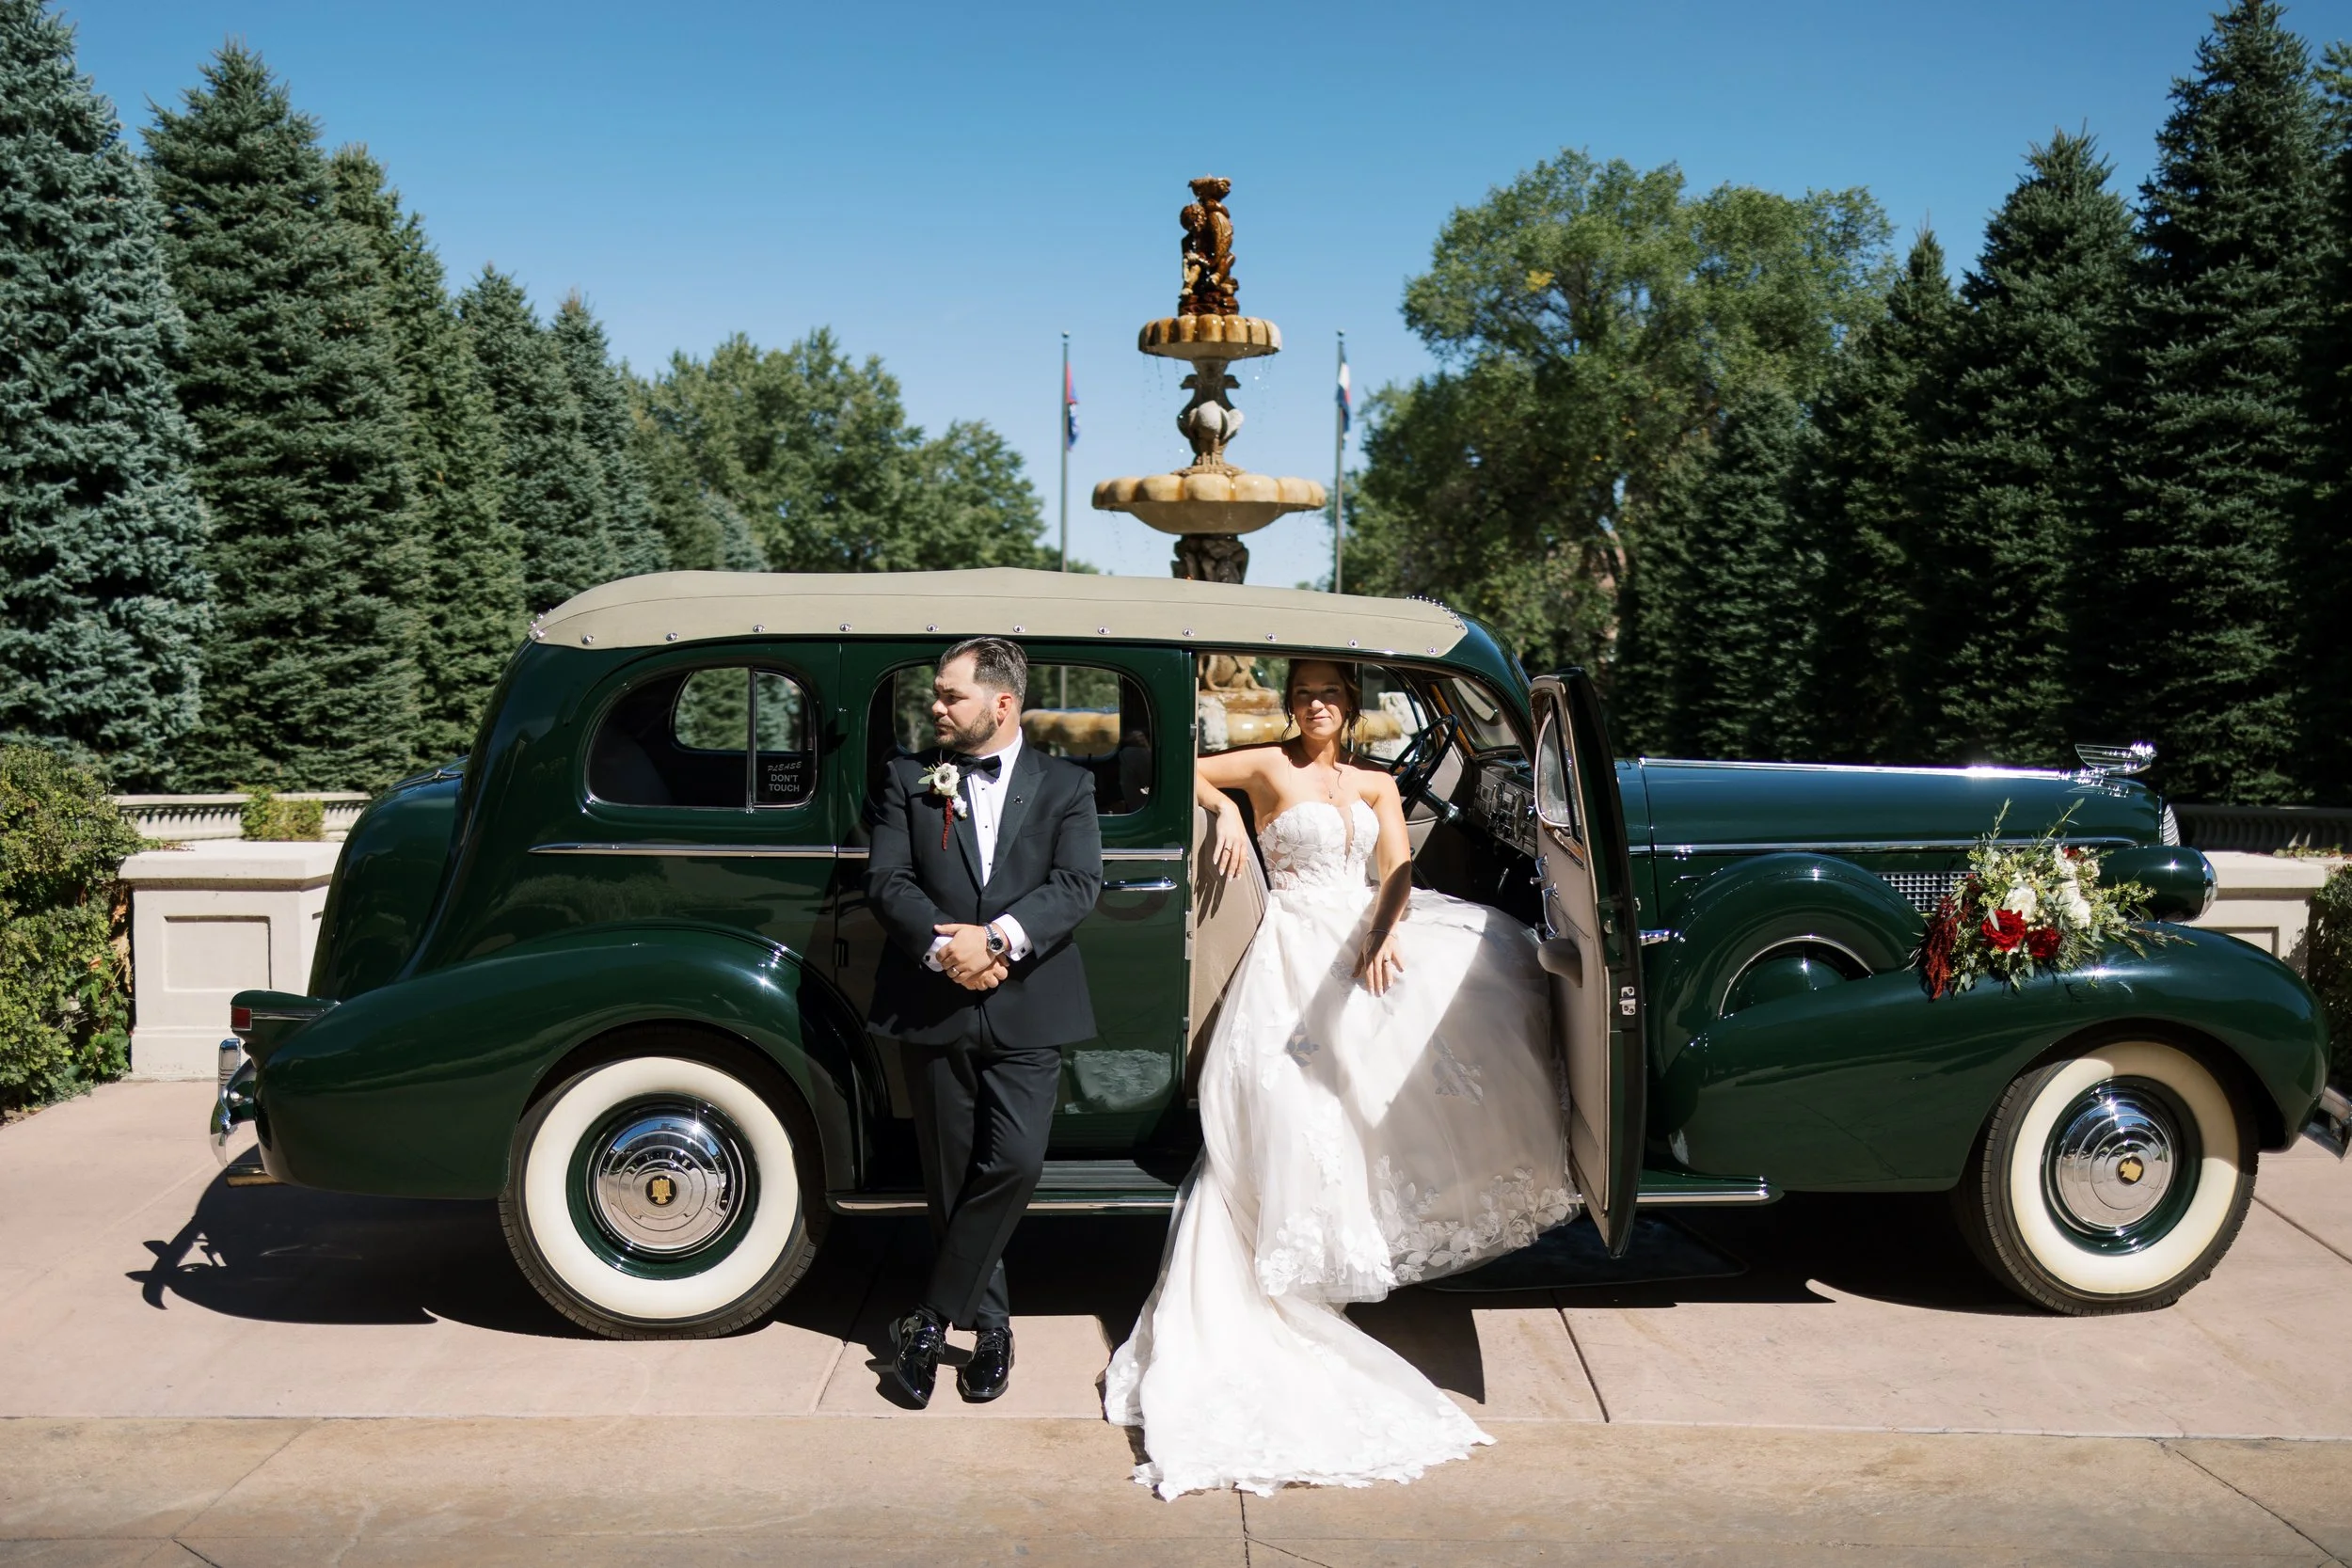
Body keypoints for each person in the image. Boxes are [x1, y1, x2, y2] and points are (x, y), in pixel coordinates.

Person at [1104, 658, 1572, 1497]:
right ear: (1291, 704)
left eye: (1329, 693)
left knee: (1482, 970)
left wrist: (1385, 931)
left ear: (1350, 706)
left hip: (1360, 933)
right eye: (1303, 693)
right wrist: (1222, 819)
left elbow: (1395, 868)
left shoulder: (1378, 782)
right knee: (1288, 1101)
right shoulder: (1266, 764)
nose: (1315, 704)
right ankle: (1287, 1262)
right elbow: (1184, 771)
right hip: (1289, 943)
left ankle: (1358, 1235)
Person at [867, 637, 1103, 1406]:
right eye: (936, 694)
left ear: (1001, 704)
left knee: (1016, 1163)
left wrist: (996, 939)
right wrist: (949, 950)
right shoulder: (908, 777)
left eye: (949, 695)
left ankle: (930, 1320)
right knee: (951, 1177)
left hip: (1029, 1002)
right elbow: (889, 881)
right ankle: (993, 1331)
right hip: (932, 1000)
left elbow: (1077, 884)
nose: (935, 706)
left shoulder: (1067, 784)